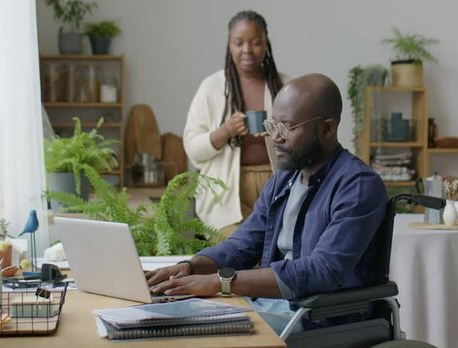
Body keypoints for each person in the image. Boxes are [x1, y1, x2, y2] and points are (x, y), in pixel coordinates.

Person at [148, 73, 388, 334]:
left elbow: (321, 271)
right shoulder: (283, 180)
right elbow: (242, 246)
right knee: (162, 318)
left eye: (286, 127)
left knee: (188, 332)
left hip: (315, 319)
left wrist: (219, 282)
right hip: (268, 308)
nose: (276, 138)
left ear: (327, 128)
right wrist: (189, 268)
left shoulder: (358, 185)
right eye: (272, 125)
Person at [183, 10, 290, 237]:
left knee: (274, 256)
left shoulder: (286, 86)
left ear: (266, 44)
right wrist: (225, 131)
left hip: (278, 188)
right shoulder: (211, 87)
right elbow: (193, 148)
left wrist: (282, 134)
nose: (247, 50)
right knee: (235, 255)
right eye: (239, 43)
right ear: (229, 45)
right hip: (226, 197)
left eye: (256, 42)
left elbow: (307, 139)